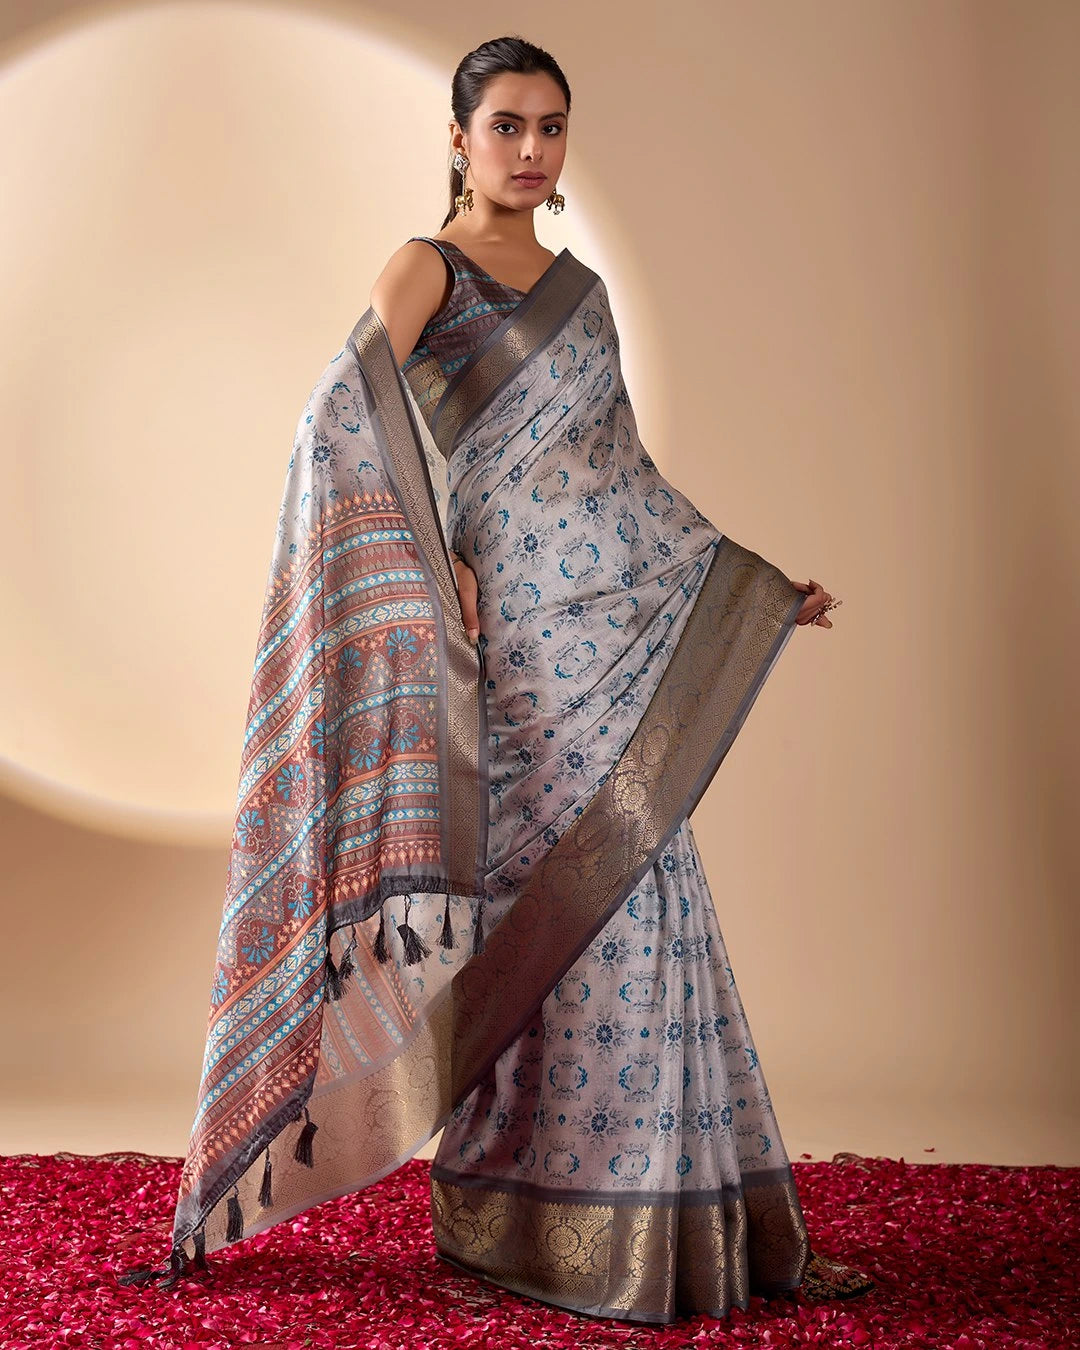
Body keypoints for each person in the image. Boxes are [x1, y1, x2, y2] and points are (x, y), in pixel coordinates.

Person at [118, 34, 872, 1325]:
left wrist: (748, 584)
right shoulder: (431, 268)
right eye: (507, 125)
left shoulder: (580, 292)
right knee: (532, 905)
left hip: (598, 636)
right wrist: (429, 560)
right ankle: (514, 1209)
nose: (531, 150)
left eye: (552, 127)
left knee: (646, 895)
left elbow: (620, 479)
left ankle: (652, 1218)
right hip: (499, 649)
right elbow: (338, 422)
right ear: (458, 138)